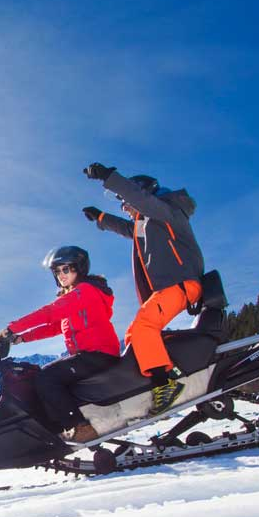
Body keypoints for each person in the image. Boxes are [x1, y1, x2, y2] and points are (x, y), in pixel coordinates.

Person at [82, 163, 205, 414]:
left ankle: (165, 384)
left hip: (180, 283)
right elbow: (129, 229)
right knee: (133, 336)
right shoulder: (150, 222)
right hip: (167, 288)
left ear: (142, 192)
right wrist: (101, 218)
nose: (125, 207)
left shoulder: (168, 210)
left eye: (126, 202)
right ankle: (162, 376)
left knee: (144, 328)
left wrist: (109, 177)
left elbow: (142, 201)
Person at [0, 245, 120, 443]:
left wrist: (12, 328)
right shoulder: (74, 295)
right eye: (57, 271)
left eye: (66, 269)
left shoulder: (85, 291)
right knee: (41, 375)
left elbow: (50, 313)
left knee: (46, 378)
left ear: (79, 268)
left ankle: (80, 427)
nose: (61, 275)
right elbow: (54, 327)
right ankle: (60, 426)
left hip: (99, 354)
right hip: (86, 355)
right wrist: (21, 338)